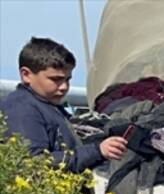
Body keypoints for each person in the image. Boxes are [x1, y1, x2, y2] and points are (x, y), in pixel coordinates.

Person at [0, 37, 126, 171]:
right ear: (26, 75)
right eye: (56, 79)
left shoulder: (46, 106)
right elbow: (33, 163)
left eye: (67, 79)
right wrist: (97, 151)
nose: (64, 87)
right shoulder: (22, 109)